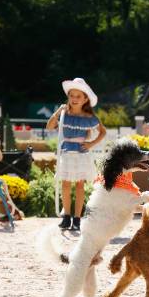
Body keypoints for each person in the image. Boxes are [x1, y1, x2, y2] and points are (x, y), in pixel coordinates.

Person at [46, 78, 106, 230]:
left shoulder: (89, 117)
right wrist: (58, 112)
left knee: (80, 185)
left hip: (81, 153)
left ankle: (77, 219)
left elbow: (102, 132)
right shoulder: (65, 113)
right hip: (67, 152)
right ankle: (66, 216)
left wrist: (91, 144)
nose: (74, 99)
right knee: (65, 184)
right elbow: (50, 127)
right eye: (71, 95)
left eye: (78, 96)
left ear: (85, 99)